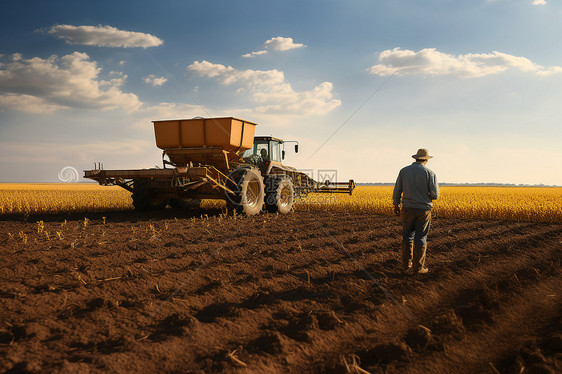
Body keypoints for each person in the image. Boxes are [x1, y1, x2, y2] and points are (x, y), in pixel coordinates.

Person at [393, 148, 440, 274]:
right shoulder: (430, 173)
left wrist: (396, 204)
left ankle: (405, 265)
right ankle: (418, 268)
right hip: (423, 210)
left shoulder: (404, 171)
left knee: (407, 235)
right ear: (426, 160)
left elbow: (397, 189)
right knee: (421, 237)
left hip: (407, 208)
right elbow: (435, 195)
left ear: (415, 158)